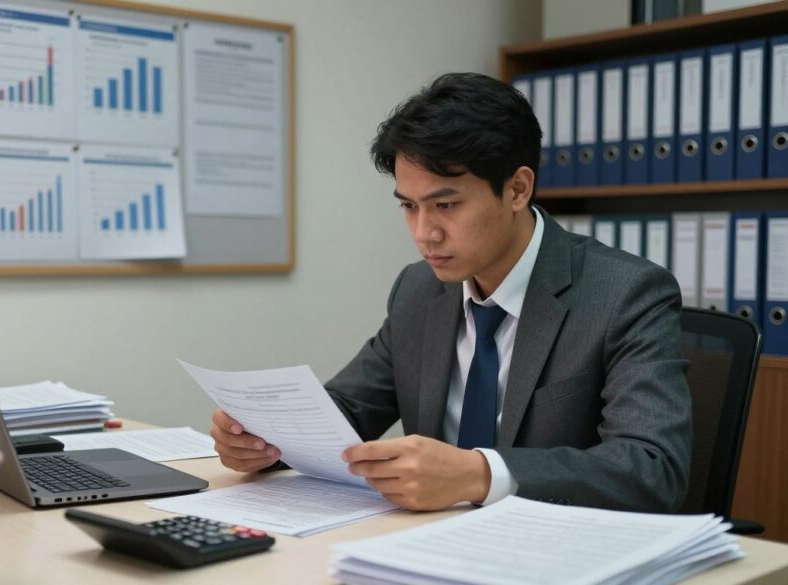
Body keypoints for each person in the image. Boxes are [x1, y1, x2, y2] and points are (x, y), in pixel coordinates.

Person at [209, 72, 691, 513]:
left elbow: (653, 467)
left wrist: (479, 474)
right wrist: (265, 443)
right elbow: (349, 412)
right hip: (428, 544)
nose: (424, 234)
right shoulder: (418, 290)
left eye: (445, 205)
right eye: (409, 207)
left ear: (518, 189)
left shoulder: (625, 294)